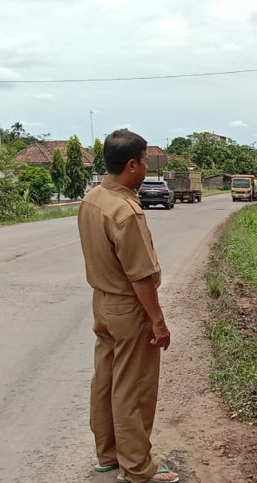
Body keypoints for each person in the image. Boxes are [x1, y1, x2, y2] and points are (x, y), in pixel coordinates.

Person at [77, 129, 178, 483]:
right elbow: (141, 278)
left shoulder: (93, 198)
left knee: (106, 379)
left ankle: (107, 457)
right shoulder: (125, 211)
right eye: (146, 162)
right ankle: (137, 467)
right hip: (128, 307)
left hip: (102, 303)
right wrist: (158, 322)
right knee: (133, 387)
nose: (147, 169)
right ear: (132, 164)